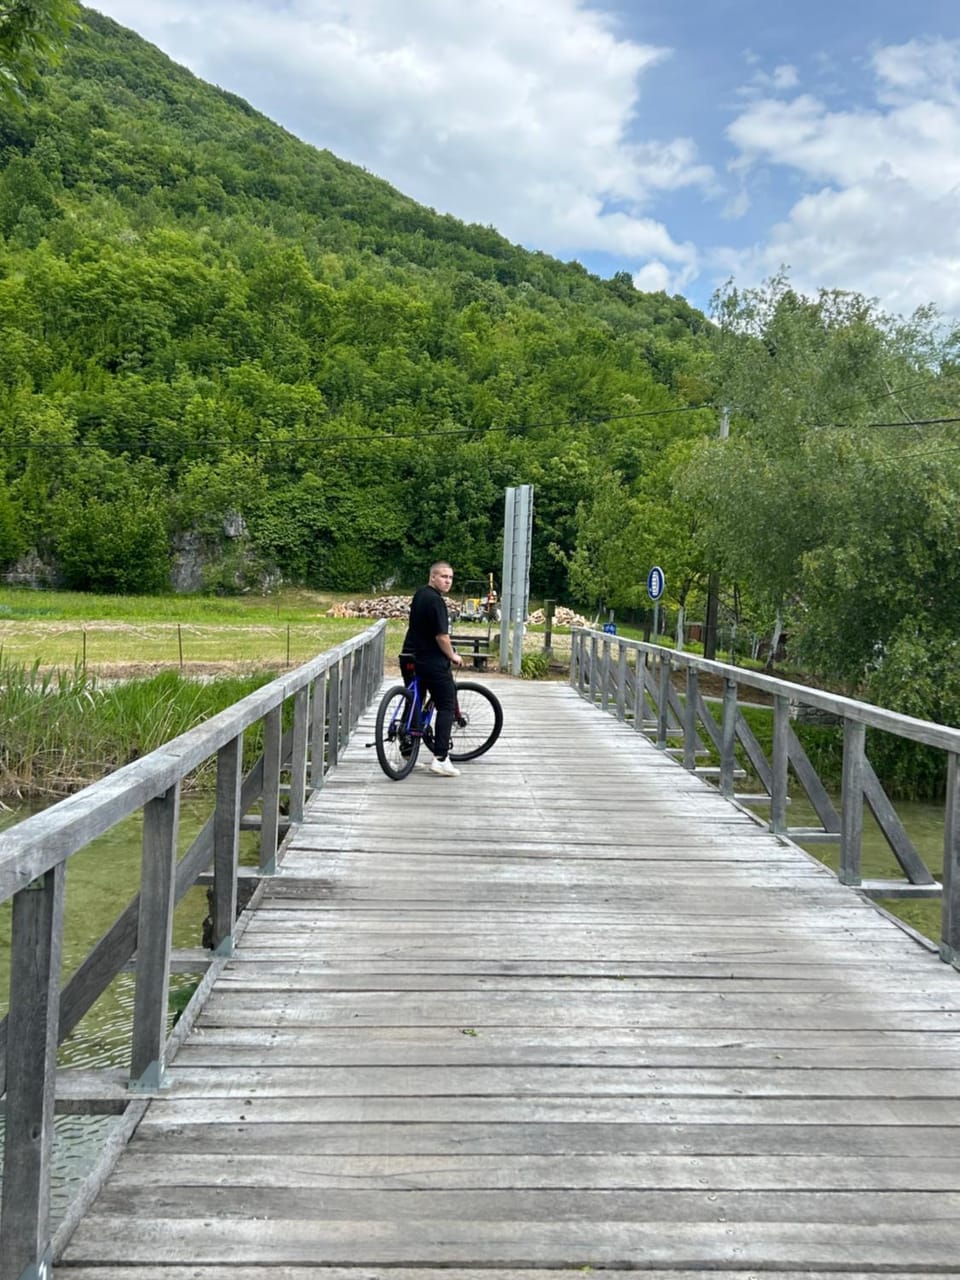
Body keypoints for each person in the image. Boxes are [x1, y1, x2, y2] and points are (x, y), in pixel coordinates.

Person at [402, 560, 464, 777]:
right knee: (446, 703)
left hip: (409, 655)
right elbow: (441, 637)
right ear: (433, 577)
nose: (448, 581)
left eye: (450, 578)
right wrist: (453, 655)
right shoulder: (436, 601)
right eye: (443, 576)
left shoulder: (420, 595)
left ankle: (407, 750)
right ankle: (441, 758)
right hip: (431, 660)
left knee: (414, 700)